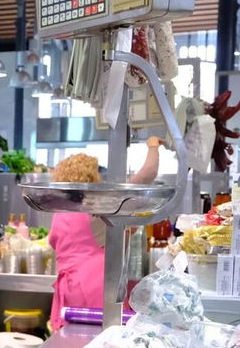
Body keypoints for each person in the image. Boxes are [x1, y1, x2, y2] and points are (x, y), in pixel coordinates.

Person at [47, 139, 161, 330]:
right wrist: (153, 145)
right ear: (92, 177)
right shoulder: (97, 209)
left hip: (68, 288)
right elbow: (146, 175)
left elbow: (56, 244)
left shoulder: (58, 211)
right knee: (102, 342)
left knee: (70, 339)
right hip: (98, 286)